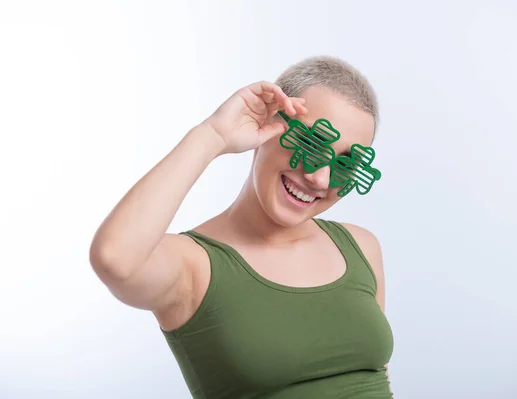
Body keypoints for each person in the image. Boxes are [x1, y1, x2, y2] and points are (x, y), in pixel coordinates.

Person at [89, 55, 394, 398]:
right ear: (267, 124)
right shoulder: (195, 266)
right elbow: (115, 258)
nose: (319, 177)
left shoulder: (361, 247)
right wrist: (213, 135)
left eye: (346, 165)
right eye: (311, 144)